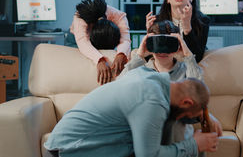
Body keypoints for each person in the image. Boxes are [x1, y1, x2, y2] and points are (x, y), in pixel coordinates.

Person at [44, 67, 219, 157]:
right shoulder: (151, 101)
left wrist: (202, 115)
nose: (184, 118)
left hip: (64, 143)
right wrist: (194, 145)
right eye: (186, 115)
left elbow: (176, 112)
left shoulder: (150, 77)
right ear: (186, 102)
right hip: (67, 151)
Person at [120, 20, 222, 153]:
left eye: (169, 44)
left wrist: (187, 56)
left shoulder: (186, 69)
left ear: (178, 44)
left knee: (174, 118)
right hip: (147, 128)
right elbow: (118, 88)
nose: (163, 50)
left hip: (177, 133)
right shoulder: (141, 71)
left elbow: (198, 96)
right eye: (158, 44)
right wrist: (139, 55)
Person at [146, 0, 210, 62]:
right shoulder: (157, 20)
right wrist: (150, 35)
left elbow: (197, 57)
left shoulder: (203, 20)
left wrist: (187, 28)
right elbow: (150, 56)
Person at [70, 0, 131, 85]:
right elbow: (83, 42)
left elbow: (125, 39)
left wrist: (121, 54)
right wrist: (100, 60)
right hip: (75, 38)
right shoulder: (80, 18)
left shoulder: (118, 15)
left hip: (105, 35)